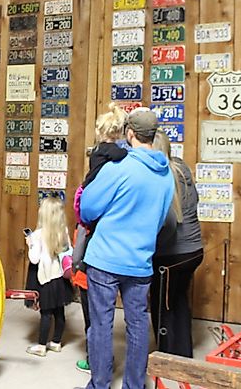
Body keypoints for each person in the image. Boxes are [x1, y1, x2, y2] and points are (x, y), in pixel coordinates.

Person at [78, 108, 175, 389]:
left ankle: (100, 384)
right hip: (140, 261)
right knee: (137, 326)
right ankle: (134, 384)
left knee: (101, 325)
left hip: (105, 259)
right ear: (153, 135)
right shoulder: (165, 174)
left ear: (129, 134)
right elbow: (160, 221)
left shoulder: (117, 168)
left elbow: (87, 209)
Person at [72, 103, 129, 374]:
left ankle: (97, 361)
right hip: (122, 242)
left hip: (96, 241)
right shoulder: (129, 159)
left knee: (93, 311)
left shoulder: (100, 157)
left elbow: (87, 211)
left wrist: (75, 258)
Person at [150, 130, 204, 358]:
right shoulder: (182, 168)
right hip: (194, 250)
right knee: (179, 302)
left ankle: (166, 356)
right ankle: (184, 354)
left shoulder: (160, 176)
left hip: (172, 255)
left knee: (161, 307)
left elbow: (169, 224)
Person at [25, 197, 73, 357]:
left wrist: (30, 243)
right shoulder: (63, 231)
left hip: (45, 279)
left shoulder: (38, 235)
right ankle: (56, 342)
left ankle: (41, 346)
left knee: (46, 314)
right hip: (59, 278)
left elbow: (34, 259)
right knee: (59, 312)